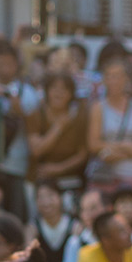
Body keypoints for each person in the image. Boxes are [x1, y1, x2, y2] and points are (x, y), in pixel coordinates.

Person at [0, 41, 42, 221]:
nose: (6, 67)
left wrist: (20, 111)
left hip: (17, 164)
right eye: (1, 62)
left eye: (10, 63)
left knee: (16, 214)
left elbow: (36, 129)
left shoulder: (27, 92)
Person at [86, 58, 132, 198]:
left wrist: (113, 150)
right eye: (109, 76)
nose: (113, 80)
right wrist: (126, 147)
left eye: (117, 76)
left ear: (126, 79)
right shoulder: (97, 107)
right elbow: (93, 144)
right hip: (104, 174)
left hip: (131, 173)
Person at [25, 70, 89, 208]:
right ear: (47, 91)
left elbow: (83, 154)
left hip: (70, 179)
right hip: (40, 180)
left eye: (64, 89)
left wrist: (58, 168)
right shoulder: (35, 115)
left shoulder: (80, 117)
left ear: (71, 94)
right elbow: (36, 150)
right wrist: (58, 127)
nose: (58, 93)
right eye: (54, 88)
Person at [26, 179, 75, 262]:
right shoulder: (32, 228)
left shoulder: (74, 225)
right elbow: (29, 256)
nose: (46, 202)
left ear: (60, 197)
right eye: (40, 197)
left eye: (50, 195)